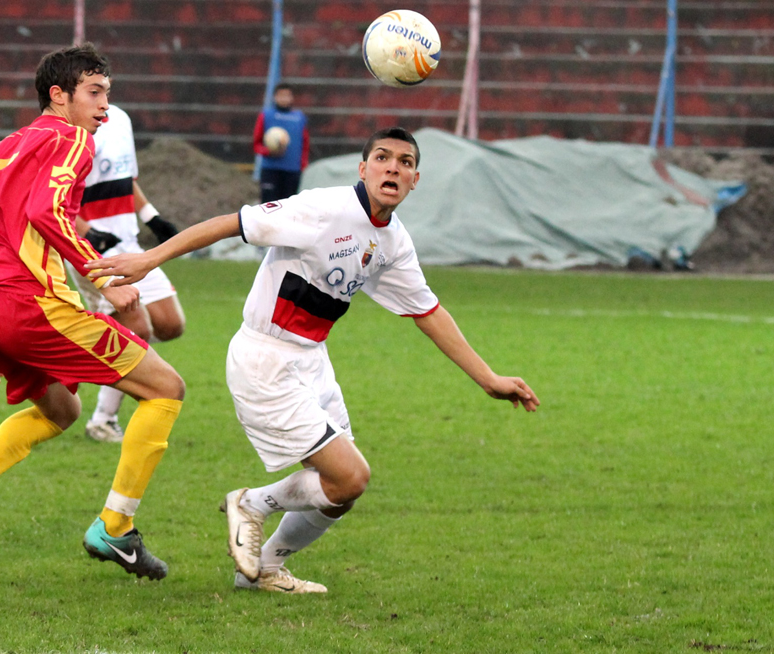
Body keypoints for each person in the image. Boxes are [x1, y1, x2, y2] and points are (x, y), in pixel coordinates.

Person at [85, 127, 540, 594]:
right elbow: (231, 223)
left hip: (312, 361)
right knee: (350, 476)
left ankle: (263, 569)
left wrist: (488, 378)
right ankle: (252, 503)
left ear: (415, 180)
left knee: (342, 492)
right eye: (382, 157)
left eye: (404, 163)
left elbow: (428, 312)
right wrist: (149, 258)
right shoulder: (322, 209)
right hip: (265, 360)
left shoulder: (394, 242)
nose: (393, 168)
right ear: (363, 169)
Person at [0, 43, 184, 581]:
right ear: (58, 96)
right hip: (34, 306)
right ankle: (115, 529)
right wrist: (104, 278)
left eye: (108, 94)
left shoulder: (5, 148)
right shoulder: (71, 139)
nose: (105, 107)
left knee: (60, 411)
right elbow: (47, 211)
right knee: (166, 388)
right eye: (95, 92)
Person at [69, 103, 186, 443]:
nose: (102, 96)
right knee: (137, 328)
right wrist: (87, 232)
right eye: (93, 89)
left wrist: (152, 217)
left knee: (170, 324)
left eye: (104, 87)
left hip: (130, 244)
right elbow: (53, 196)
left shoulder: (120, 119)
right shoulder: (69, 129)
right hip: (92, 248)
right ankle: (103, 419)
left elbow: (125, 178)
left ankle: (94, 353)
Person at [252, 82, 309, 203]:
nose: (284, 99)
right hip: (270, 170)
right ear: (275, 97)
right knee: (268, 206)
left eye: (287, 95)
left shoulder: (299, 118)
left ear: (292, 98)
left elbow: (305, 143)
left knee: (288, 207)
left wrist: (303, 165)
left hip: (292, 171)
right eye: (281, 95)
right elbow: (256, 144)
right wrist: (268, 151)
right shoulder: (266, 116)